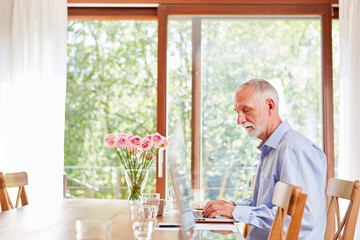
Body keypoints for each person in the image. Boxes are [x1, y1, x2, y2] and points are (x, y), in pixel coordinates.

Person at [202, 79, 327, 239]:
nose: (239, 120)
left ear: (270, 106)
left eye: (246, 110)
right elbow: (265, 206)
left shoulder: (294, 149)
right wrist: (232, 207)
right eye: (237, 111)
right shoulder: (272, 148)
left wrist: (236, 212)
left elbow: (303, 218)